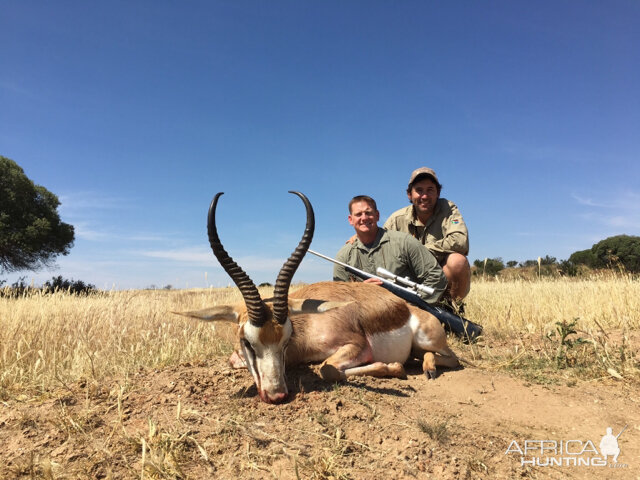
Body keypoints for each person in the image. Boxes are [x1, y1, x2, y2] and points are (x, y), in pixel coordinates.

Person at [333, 195, 448, 305]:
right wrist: (361, 292)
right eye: (358, 214)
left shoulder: (404, 241)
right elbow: (339, 298)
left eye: (368, 213)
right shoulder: (343, 257)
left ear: (377, 215)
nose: (364, 218)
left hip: (408, 314)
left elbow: (436, 276)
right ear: (350, 220)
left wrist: (410, 304)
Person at [384, 167, 471, 302]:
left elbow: (460, 241)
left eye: (430, 190)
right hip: (408, 279)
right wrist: (359, 238)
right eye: (419, 190)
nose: (424, 196)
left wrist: (417, 252)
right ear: (409, 195)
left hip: (439, 275)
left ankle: (450, 310)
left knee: (457, 261)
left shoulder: (449, 209)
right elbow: (378, 244)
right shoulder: (396, 219)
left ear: (438, 193)